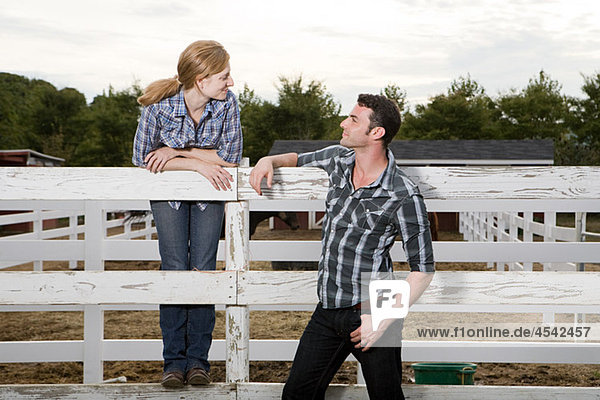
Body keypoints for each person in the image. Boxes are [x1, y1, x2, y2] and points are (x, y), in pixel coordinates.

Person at [249, 94, 434, 399]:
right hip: (327, 308)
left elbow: (423, 270)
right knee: (297, 395)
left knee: (385, 395)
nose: (343, 123)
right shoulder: (338, 158)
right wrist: (267, 160)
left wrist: (381, 319)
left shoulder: (403, 194)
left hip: (372, 310)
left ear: (376, 133)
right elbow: (296, 159)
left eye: (353, 119)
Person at [132, 40, 242, 388]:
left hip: (213, 194)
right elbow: (143, 159)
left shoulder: (227, 105)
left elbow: (231, 157)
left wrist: (177, 155)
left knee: (203, 271)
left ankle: (198, 362)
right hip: (169, 199)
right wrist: (198, 162)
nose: (231, 83)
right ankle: (173, 364)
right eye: (224, 76)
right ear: (201, 79)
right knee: (175, 271)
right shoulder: (158, 110)